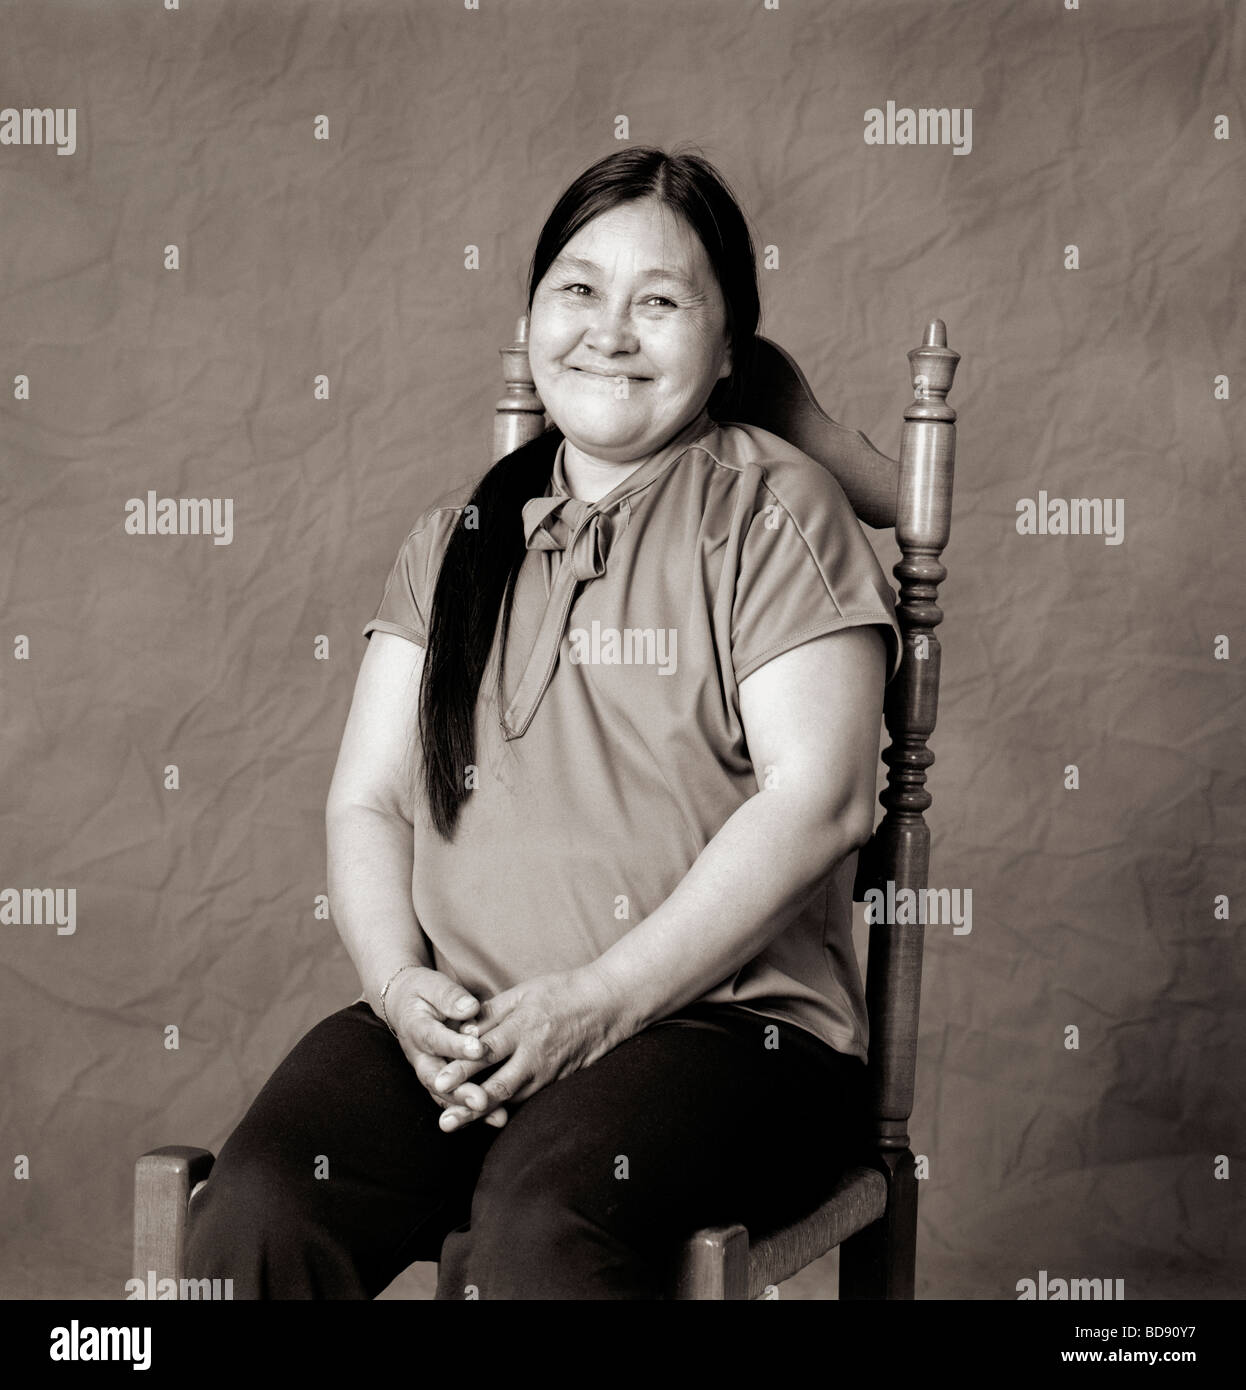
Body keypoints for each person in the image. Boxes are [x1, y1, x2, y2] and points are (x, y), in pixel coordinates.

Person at [184, 144, 903, 1300]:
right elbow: (367, 797)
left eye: (659, 301)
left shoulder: (769, 512)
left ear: (725, 351)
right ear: (529, 318)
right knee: (259, 1207)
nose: (608, 332)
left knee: (538, 1227)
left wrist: (593, 1004)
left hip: (724, 1041)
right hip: (473, 1027)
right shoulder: (461, 536)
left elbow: (819, 799)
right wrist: (398, 989)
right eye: (577, 289)